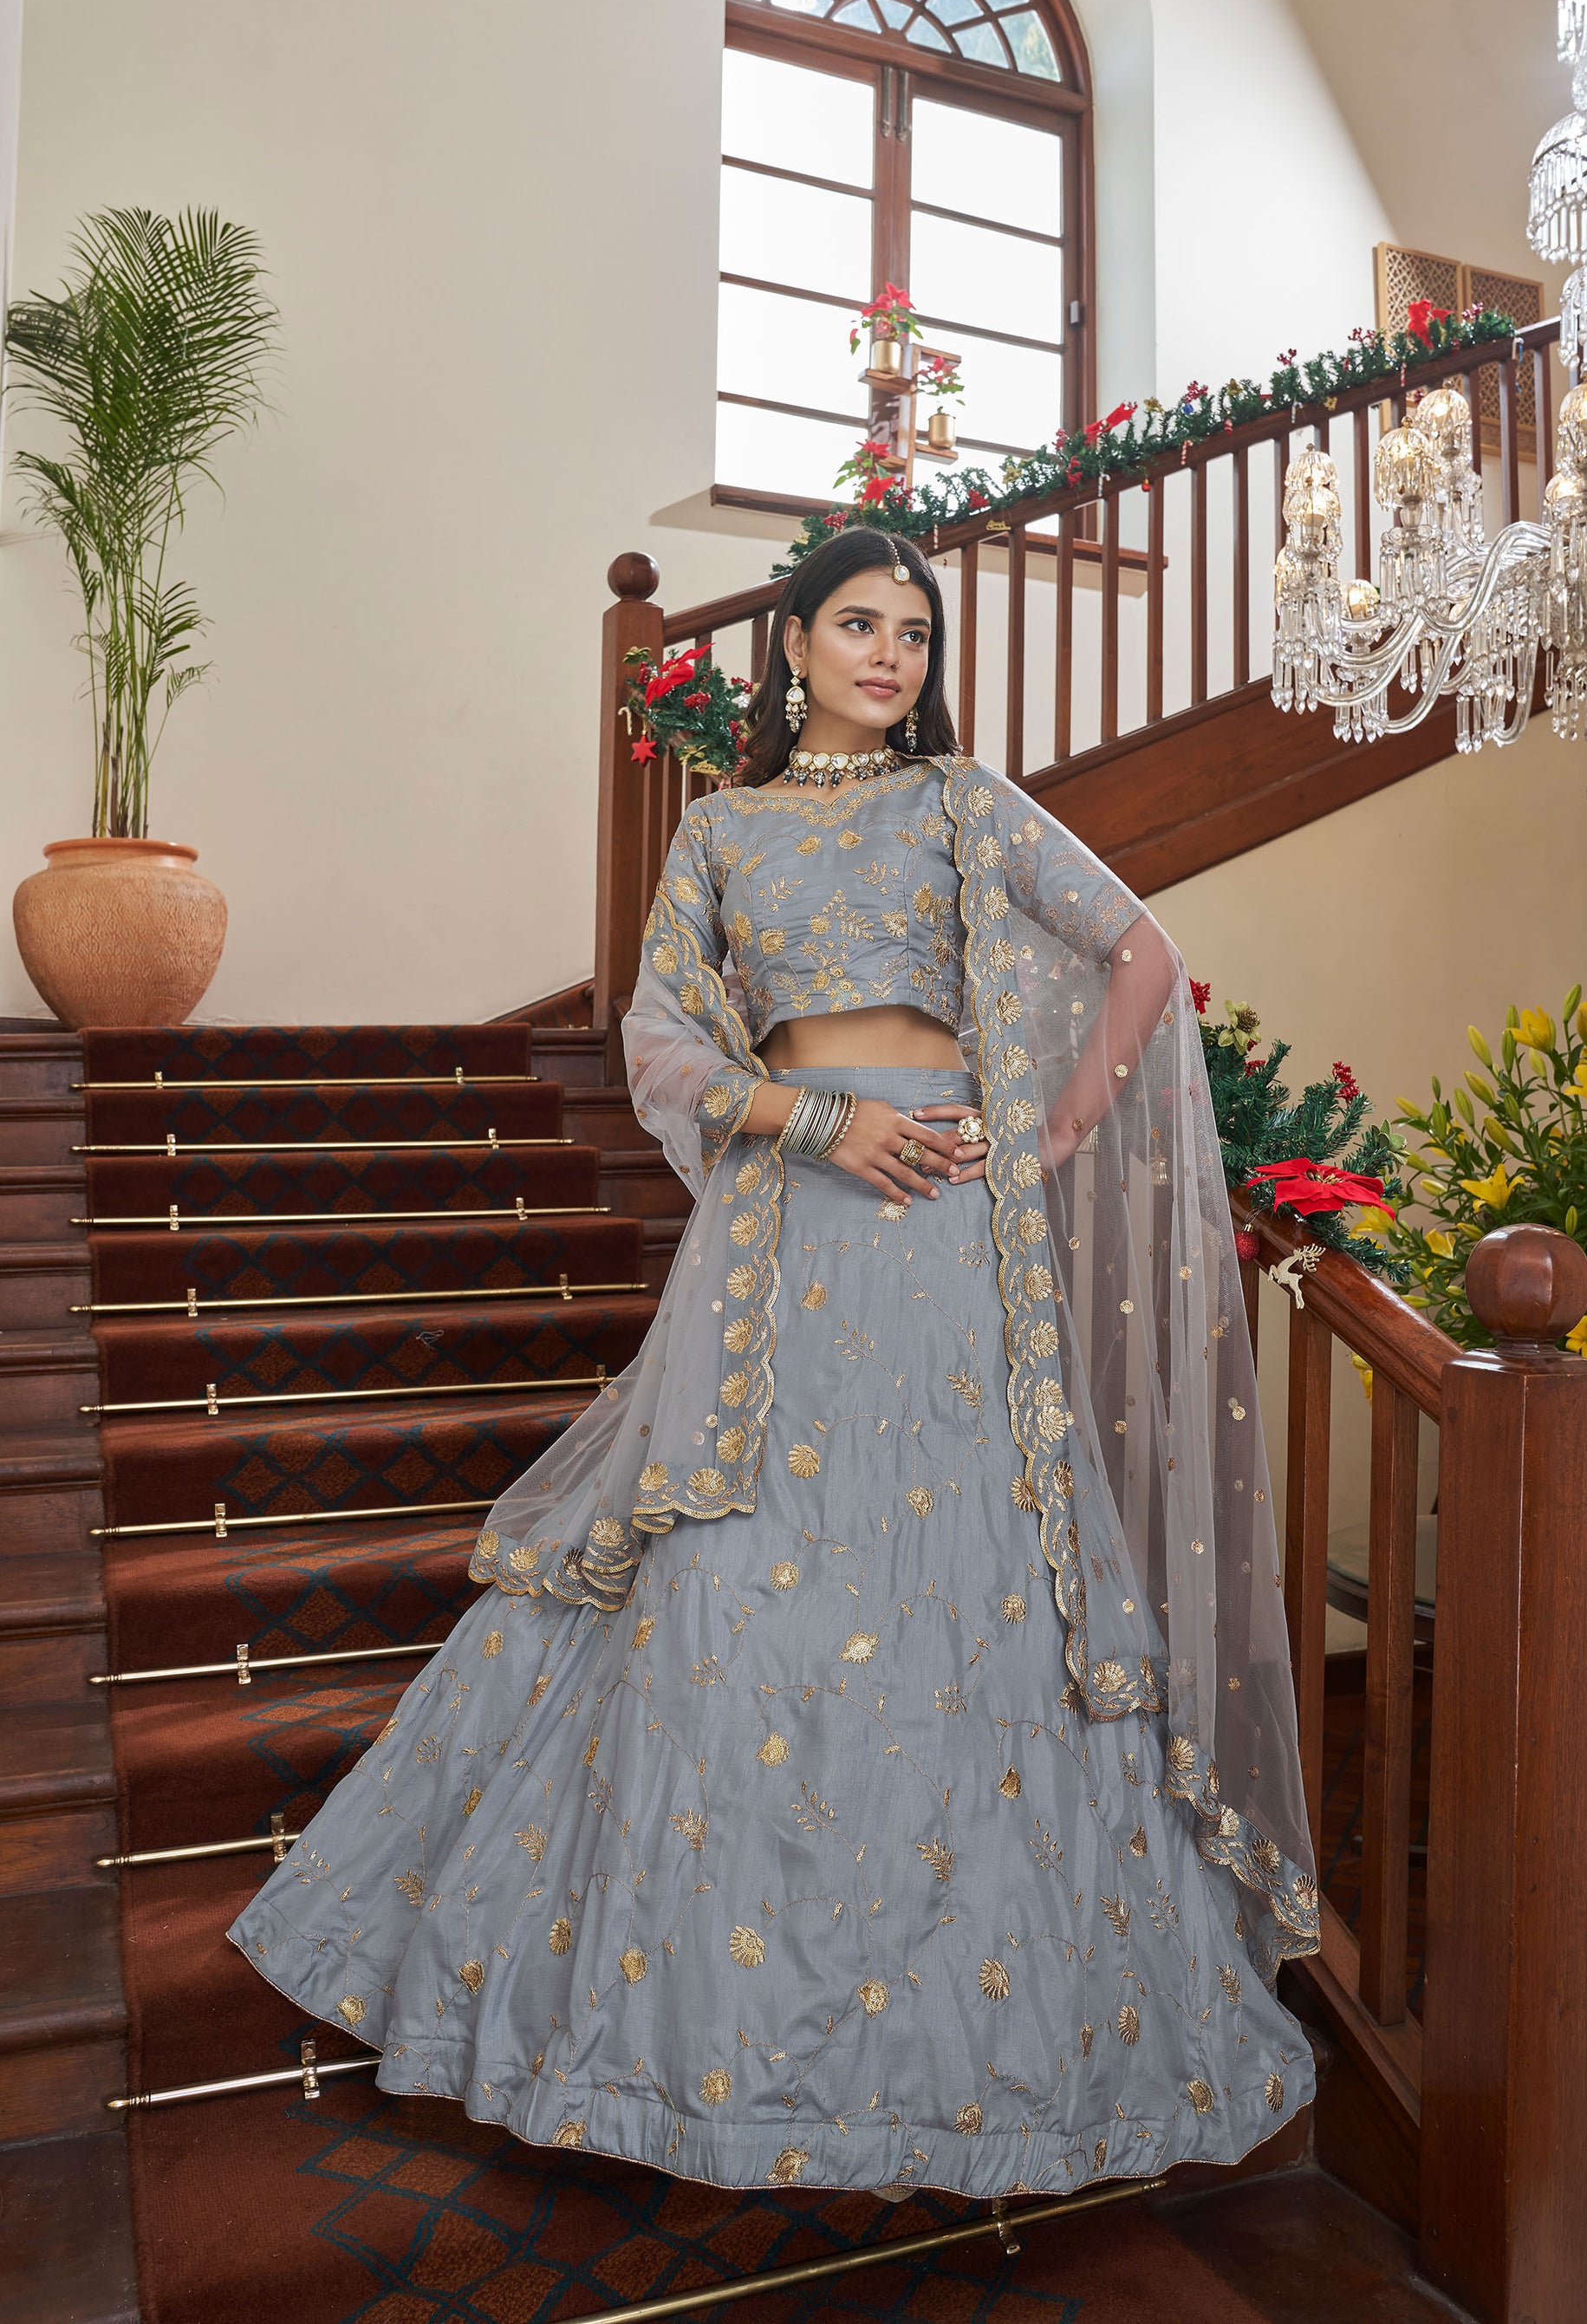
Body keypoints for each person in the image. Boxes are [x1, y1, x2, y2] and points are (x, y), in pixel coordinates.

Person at [230, 524, 1318, 2202]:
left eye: (913, 633)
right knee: (733, 1574)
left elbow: (1142, 956)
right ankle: (692, 2043)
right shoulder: (721, 832)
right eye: (858, 624)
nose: (889, 655)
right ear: (794, 644)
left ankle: (966, 2053)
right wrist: (813, 1120)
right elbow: (660, 1039)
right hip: (785, 1230)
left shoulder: (963, 803)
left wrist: (1046, 1134)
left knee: (963, 1576)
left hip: (945, 1224)